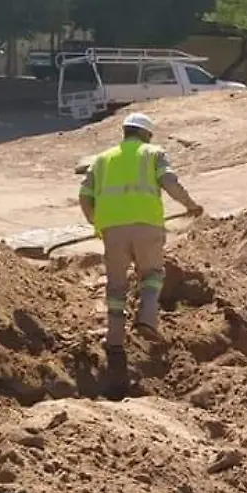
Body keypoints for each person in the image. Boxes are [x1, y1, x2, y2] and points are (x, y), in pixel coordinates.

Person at [78, 112, 204, 347]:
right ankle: (146, 318)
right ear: (146, 134)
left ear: (125, 132)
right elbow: (169, 183)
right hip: (147, 226)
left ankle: (114, 337)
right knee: (152, 274)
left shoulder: (101, 160)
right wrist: (190, 205)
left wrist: (96, 222)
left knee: (115, 286)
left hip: (112, 230)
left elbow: (84, 196)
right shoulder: (154, 153)